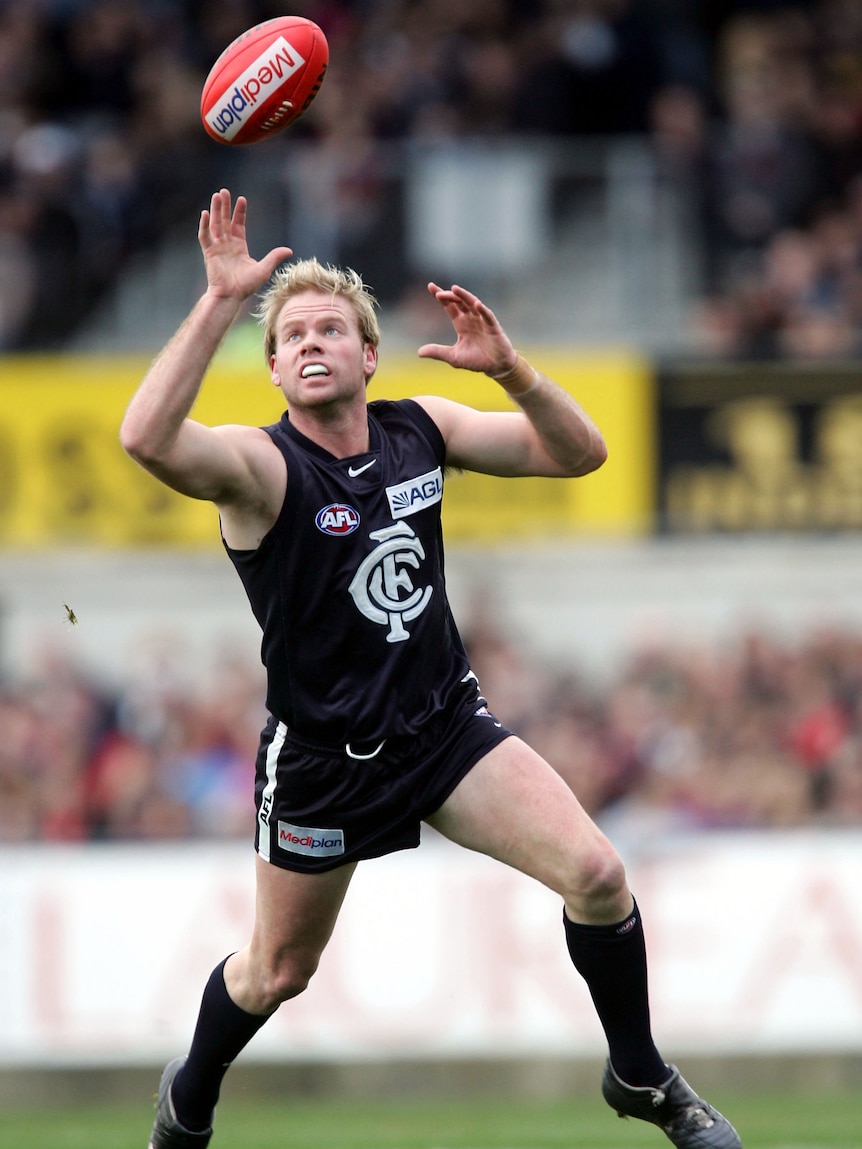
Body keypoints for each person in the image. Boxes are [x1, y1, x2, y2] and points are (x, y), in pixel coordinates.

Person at [121, 188, 742, 1149]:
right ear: (277, 368)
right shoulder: (260, 467)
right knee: (276, 971)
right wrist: (217, 303)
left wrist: (517, 372)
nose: (314, 341)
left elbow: (580, 455)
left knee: (599, 874)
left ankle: (641, 1074)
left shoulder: (424, 429)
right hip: (324, 760)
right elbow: (145, 440)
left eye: (334, 327)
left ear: (371, 355)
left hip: (445, 730)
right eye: (293, 334)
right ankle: (189, 1092)